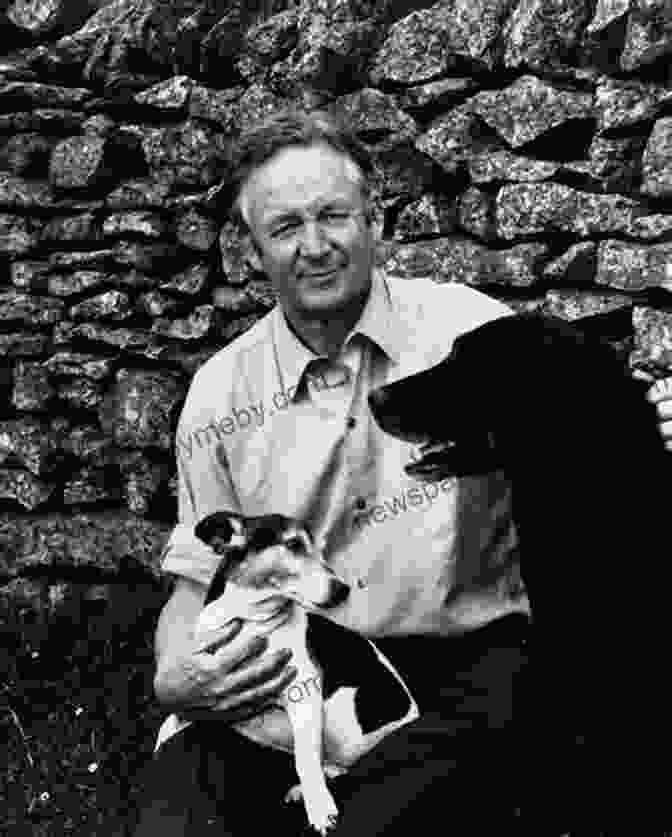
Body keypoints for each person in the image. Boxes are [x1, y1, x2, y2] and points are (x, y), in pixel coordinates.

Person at [132, 110, 672, 836]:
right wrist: (178, 674)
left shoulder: (472, 332)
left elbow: (598, 428)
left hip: (468, 668)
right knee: (176, 825)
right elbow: (195, 582)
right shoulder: (220, 395)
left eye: (334, 216)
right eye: (286, 226)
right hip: (298, 662)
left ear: (374, 219)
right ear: (251, 247)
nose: (316, 246)